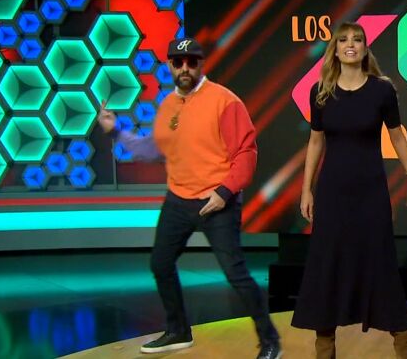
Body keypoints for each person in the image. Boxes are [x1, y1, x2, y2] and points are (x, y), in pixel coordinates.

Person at [96, 37, 282, 359]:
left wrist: (224, 192)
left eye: (191, 62)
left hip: (217, 201)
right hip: (178, 200)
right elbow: (153, 148)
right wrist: (115, 131)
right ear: (170, 65)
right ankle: (179, 330)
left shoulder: (225, 101)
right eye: (178, 62)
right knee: (160, 263)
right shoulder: (169, 105)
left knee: (235, 274)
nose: (185, 68)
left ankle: (270, 341)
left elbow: (246, 153)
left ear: (201, 64)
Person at [291, 22, 407, 359]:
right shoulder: (320, 92)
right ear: (335, 50)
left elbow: (397, 137)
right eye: (343, 40)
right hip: (332, 194)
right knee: (328, 267)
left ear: (365, 48)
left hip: (371, 194)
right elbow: (315, 142)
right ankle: (325, 350)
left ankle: (404, 348)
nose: (350, 44)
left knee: (381, 265)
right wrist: (306, 190)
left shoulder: (382, 90)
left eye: (357, 39)